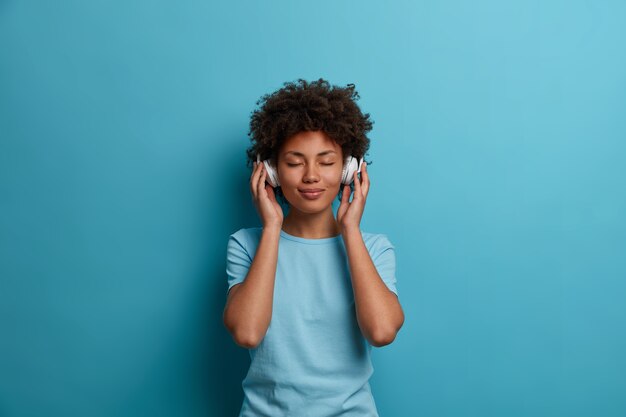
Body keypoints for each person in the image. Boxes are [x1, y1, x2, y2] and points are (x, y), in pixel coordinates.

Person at [223, 78, 405, 416]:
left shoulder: (374, 248)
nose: (311, 175)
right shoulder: (247, 244)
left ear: (350, 169)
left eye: (326, 161)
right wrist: (272, 227)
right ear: (272, 171)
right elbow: (247, 333)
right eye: (294, 163)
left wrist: (350, 229)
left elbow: (381, 332)